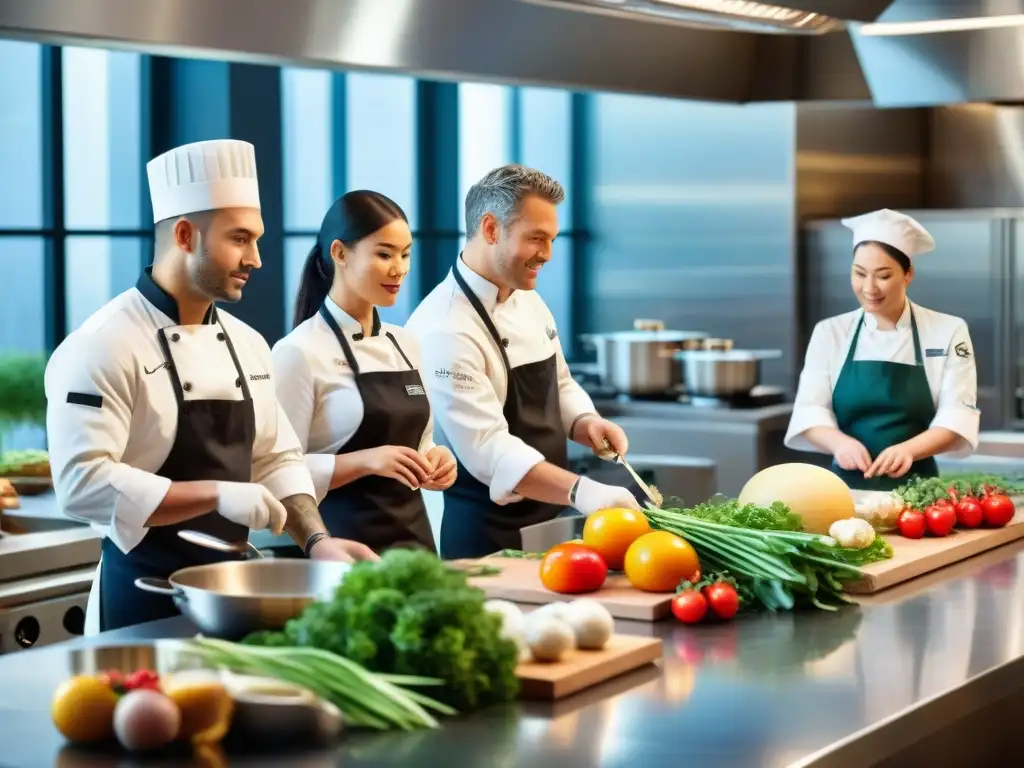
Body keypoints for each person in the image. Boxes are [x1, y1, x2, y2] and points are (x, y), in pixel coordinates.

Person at [45, 139, 377, 635]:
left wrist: (317, 540)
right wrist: (217, 494)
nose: (257, 259)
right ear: (184, 235)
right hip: (143, 596)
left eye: (257, 240)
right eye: (240, 239)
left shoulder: (247, 343)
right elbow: (81, 484)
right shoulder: (102, 344)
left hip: (229, 596)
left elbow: (277, 458)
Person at [407, 164, 640, 559]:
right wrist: (585, 491)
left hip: (553, 518)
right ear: (491, 229)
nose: (546, 255)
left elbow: (560, 382)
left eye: (551, 240)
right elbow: (488, 449)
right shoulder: (444, 328)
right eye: (536, 239)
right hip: (490, 538)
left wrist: (585, 421)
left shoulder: (526, 295)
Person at [272, 191, 455, 553]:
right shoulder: (298, 352)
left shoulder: (406, 343)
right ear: (339, 253)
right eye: (384, 254)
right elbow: (275, 473)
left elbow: (419, 444)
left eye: (405, 255)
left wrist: (438, 458)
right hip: (339, 550)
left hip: (415, 548)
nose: (399, 268)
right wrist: (365, 461)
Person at [785, 208, 980, 490]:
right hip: (845, 494)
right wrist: (840, 444)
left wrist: (909, 450)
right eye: (859, 274)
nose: (869, 288)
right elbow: (809, 410)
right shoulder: (830, 333)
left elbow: (957, 415)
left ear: (908, 273)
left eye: (883, 275)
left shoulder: (948, 330)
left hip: (919, 496)